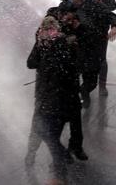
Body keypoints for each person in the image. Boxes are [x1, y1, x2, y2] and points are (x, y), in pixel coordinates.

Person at [26, 15, 82, 182]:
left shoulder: (61, 45)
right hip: (53, 99)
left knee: (46, 133)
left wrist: (41, 45)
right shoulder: (47, 45)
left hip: (55, 100)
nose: (46, 34)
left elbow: (66, 72)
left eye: (48, 31)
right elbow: (31, 63)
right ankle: (55, 161)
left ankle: (60, 164)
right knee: (47, 134)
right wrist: (39, 45)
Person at [84, 0, 116, 96]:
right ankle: (86, 87)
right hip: (86, 30)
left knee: (102, 59)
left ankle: (102, 86)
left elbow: (113, 7)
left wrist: (103, 0)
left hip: (101, 28)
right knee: (86, 59)